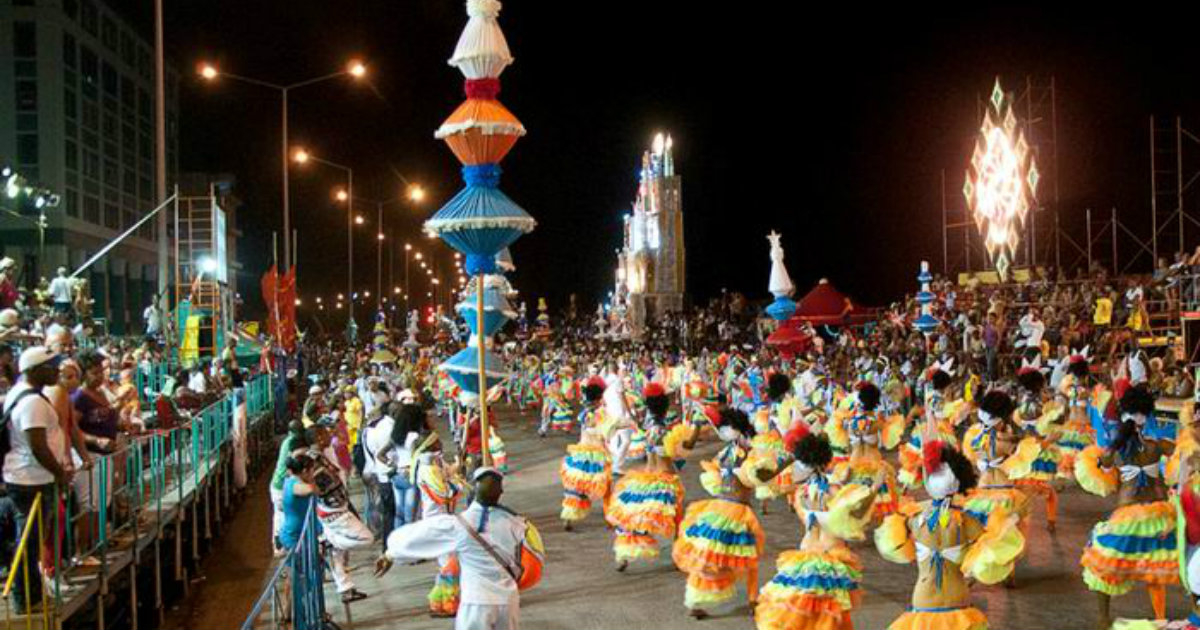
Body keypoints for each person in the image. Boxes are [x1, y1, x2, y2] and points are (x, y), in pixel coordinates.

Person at [376, 467, 545, 630]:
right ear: (501, 492)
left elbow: (415, 537)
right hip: (508, 601)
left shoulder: (458, 525)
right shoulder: (518, 524)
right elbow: (533, 556)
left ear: (473, 491)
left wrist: (390, 554)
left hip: (476, 602)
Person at [1076, 385, 1177, 627]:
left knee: (1105, 565)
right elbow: (1185, 453)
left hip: (1128, 516)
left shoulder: (1116, 450)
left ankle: (1103, 618)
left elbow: (1100, 469)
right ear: (1147, 415)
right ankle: (1160, 618)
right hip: (1160, 515)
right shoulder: (1158, 445)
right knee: (1156, 568)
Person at [2, 347, 72, 613]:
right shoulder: (32, 403)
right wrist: (59, 473)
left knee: (31, 540)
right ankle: (25, 598)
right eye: (51, 366)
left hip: (28, 477)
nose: (57, 371)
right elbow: (38, 447)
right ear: (34, 370)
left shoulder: (21, 394)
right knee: (29, 542)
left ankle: (31, 594)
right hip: (32, 480)